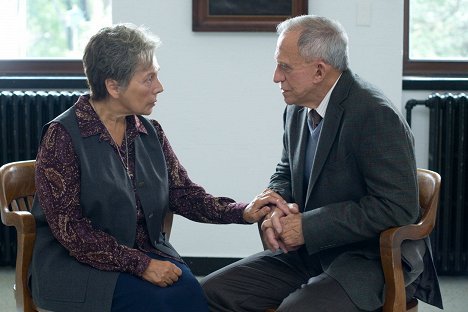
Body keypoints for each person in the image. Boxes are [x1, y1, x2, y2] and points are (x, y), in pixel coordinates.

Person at [201, 15, 443, 312]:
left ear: (319, 71)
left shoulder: (375, 115)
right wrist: (276, 206)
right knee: (208, 292)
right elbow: (285, 172)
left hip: (367, 260)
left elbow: (397, 207)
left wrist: (308, 226)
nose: (276, 77)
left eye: (285, 67)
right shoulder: (297, 109)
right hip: (311, 252)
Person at [28, 23, 274, 312]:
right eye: (148, 79)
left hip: (141, 257)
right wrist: (142, 265)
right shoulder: (62, 136)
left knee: (190, 291)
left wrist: (241, 211)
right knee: (160, 301)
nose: (159, 87)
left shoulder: (149, 131)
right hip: (76, 266)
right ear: (113, 86)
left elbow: (183, 193)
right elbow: (71, 230)